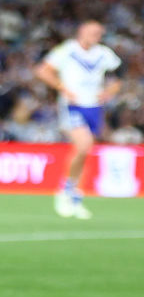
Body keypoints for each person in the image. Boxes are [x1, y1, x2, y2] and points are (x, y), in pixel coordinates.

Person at [34, 21, 122, 219]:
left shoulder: (104, 54)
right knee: (83, 145)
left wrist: (109, 92)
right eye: (92, 32)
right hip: (73, 105)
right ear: (81, 31)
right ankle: (65, 190)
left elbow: (117, 78)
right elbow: (43, 70)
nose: (96, 36)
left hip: (94, 106)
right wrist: (61, 87)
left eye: (99, 33)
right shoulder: (67, 50)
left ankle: (75, 197)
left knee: (85, 151)